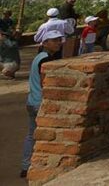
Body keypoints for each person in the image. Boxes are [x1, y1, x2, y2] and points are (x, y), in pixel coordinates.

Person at [22, 30, 63, 177]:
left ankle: (26, 165)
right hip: (40, 102)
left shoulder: (39, 57)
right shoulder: (45, 60)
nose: (58, 42)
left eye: (59, 40)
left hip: (32, 100)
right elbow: (45, 82)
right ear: (45, 43)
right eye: (54, 40)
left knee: (31, 135)